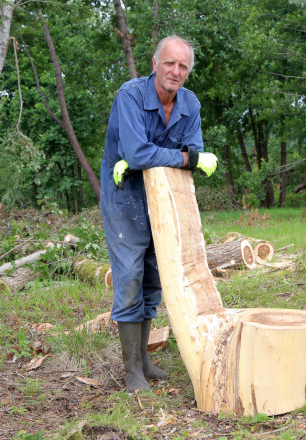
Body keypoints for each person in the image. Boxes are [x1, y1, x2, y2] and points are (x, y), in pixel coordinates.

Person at [100, 35, 217, 393]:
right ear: (155, 63)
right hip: (125, 195)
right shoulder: (131, 95)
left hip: (165, 197)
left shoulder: (190, 103)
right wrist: (182, 158)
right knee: (131, 275)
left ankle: (145, 359)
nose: (175, 71)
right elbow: (138, 154)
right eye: (170, 63)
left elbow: (193, 149)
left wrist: (173, 157)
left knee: (154, 274)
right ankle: (132, 370)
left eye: (183, 66)